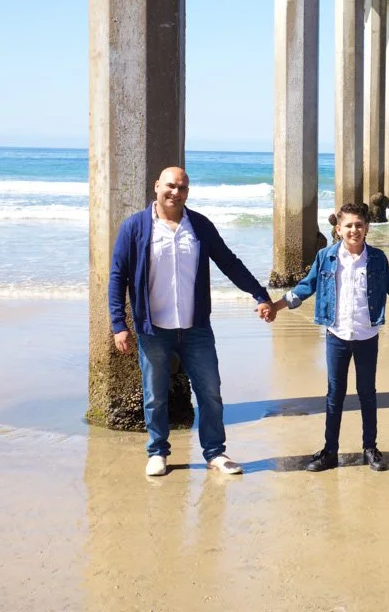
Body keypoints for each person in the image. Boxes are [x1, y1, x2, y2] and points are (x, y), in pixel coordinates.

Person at [109, 166, 275, 477]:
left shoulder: (199, 226)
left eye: (182, 188)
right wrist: (119, 325)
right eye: (170, 186)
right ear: (157, 186)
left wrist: (260, 295)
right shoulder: (134, 227)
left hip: (195, 328)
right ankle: (157, 452)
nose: (176, 192)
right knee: (155, 395)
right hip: (154, 329)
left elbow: (229, 263)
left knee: (210, 392)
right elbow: (118, 277)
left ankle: (215, 453)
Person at [272, 203, 389, 473]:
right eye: (349, 225)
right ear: (338, 229)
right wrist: (276, 306)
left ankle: (370, 449)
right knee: (335, 394)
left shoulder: (377, 259)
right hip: (337, 334)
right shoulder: (326, 257)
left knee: (367, 393)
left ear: (367, 228)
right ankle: (330, 451)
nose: (354, 230)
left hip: (367, 334)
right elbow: (307, 287)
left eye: (359, 225)